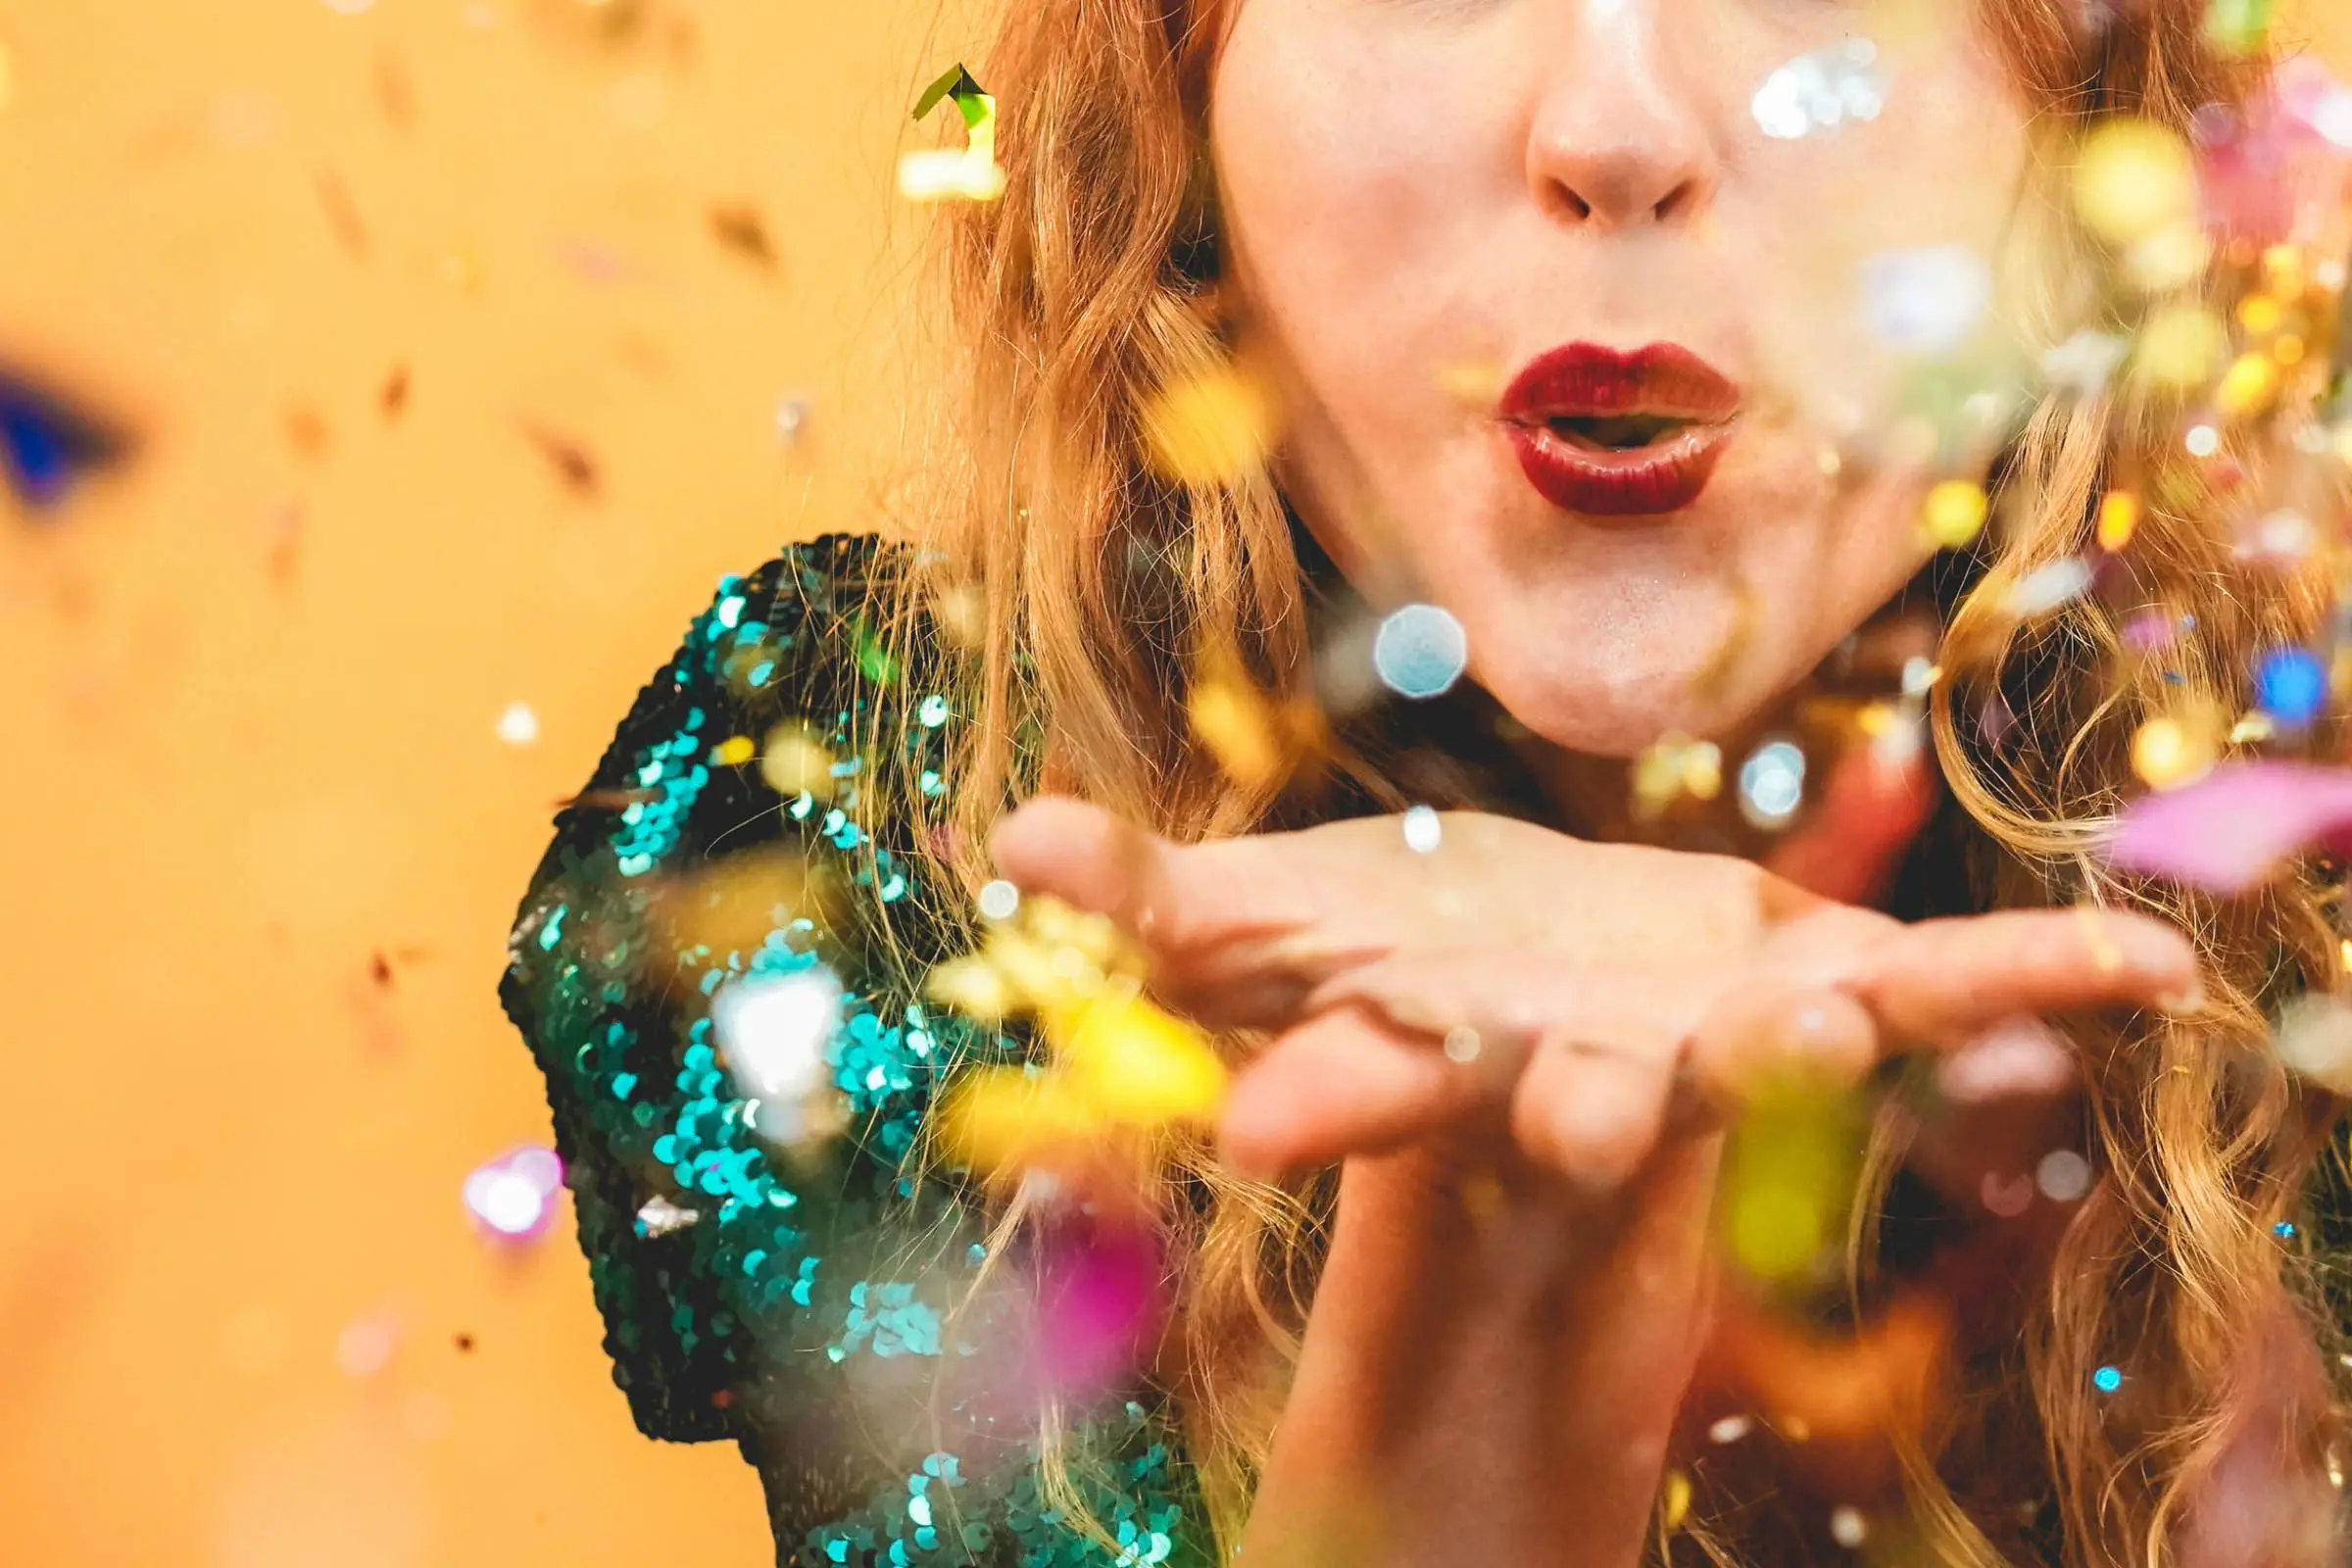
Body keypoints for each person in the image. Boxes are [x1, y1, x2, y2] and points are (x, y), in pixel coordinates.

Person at [500, 2, 2352, 1563]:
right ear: (1173, 83)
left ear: (2087, 103)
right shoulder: (858, 824)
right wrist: (1486, 1318)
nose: (1616, 133)